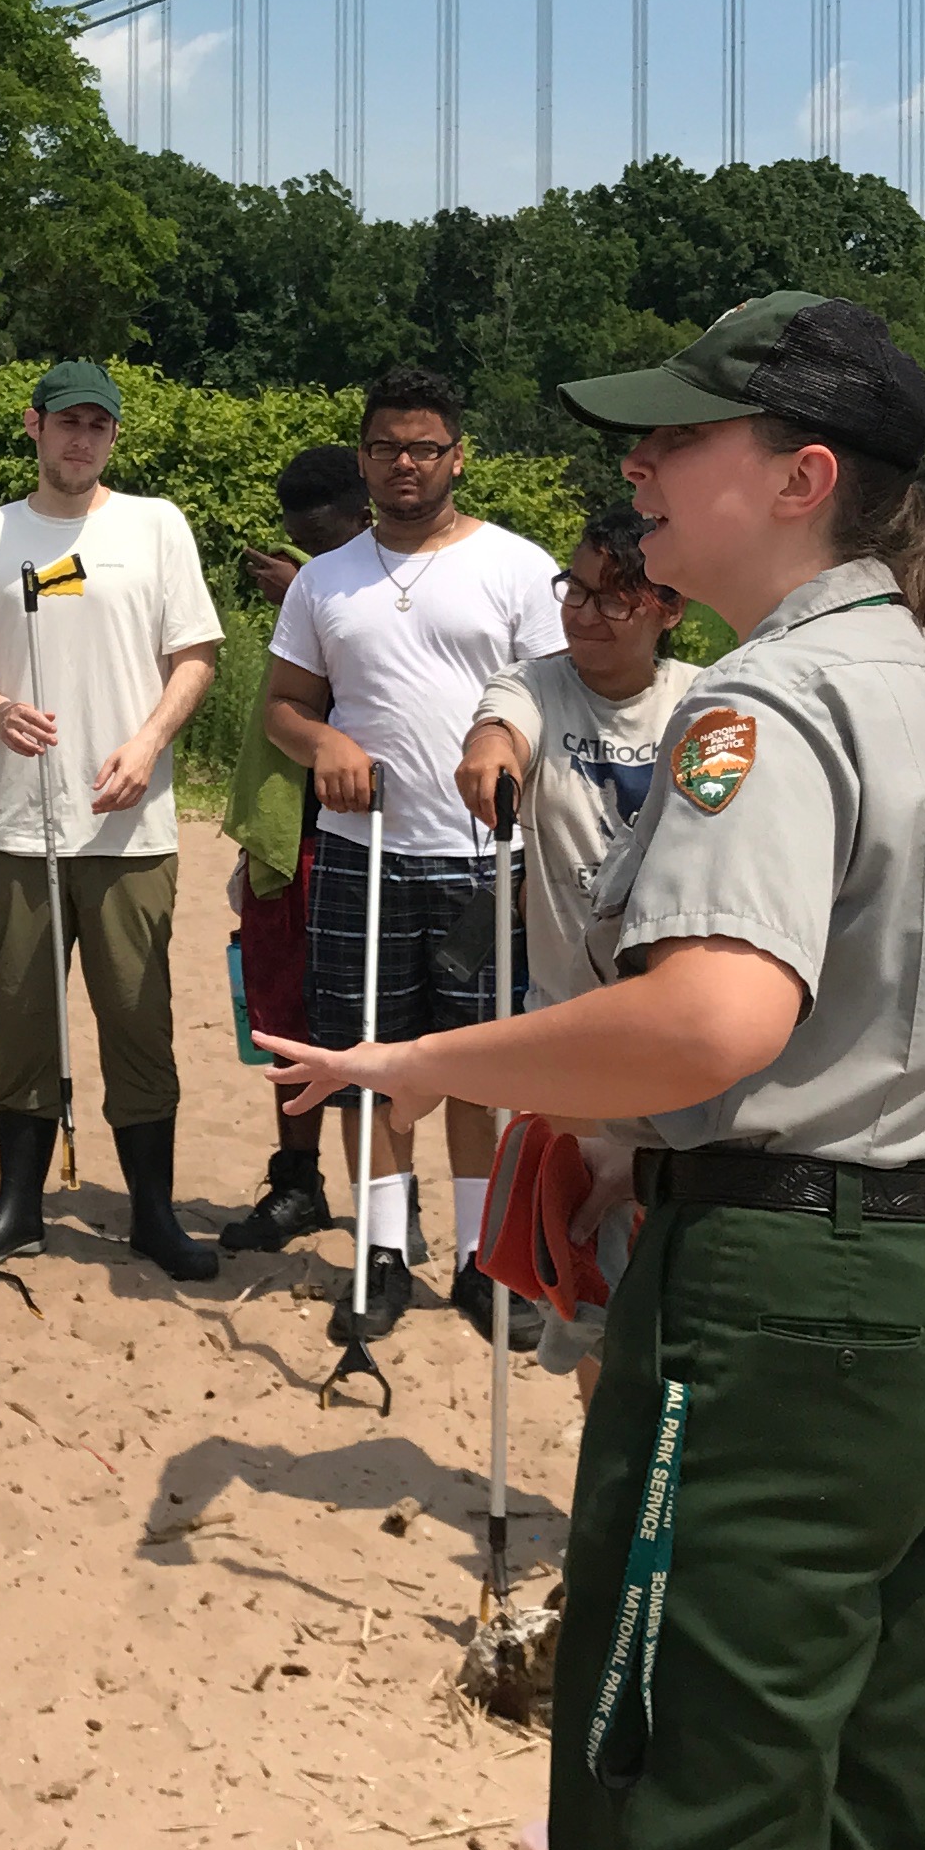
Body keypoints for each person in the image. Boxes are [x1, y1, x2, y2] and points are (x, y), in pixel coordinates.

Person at [262, 289, 925, 1850]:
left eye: (672, 446)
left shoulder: (760, 707)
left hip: (772, 1340)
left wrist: (420, 1066)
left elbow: (709, 1020)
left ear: (801, 482)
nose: (632, 479)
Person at [263, 365, 563, 1339]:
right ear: (364, 458)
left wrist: (512, 764)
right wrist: (326, 746)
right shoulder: (323, 579)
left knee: (477, 1066)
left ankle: (482, 1260)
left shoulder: (518, 569)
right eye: (388, 446)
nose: (405, 463)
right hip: (363, 850)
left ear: (457, 457)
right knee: (368, 1063)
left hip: (485, 859)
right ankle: (383, 1256)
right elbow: (281, 708)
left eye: (425, 447)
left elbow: (551, 702)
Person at [0, 360, 226, 1282]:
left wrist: (146, 745)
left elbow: (197, 657)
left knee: (139, 1017)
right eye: (66, 423)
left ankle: (154, 1214)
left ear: (113, 436)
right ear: (35, 426)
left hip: (130, 830)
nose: (81, 440)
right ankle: (17, 1208)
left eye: (98, 425)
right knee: (20, 1017)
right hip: (19, 827)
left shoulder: (156, 525)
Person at [453, 507, 698, 1387]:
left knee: (669, 1267)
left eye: (614, 598)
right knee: (589, 1269)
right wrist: (490, 761)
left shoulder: (706, 702)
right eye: (576, 589)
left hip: (678, 1027)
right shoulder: (536, 685)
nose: (584, 613)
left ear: (669, 607)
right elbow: (497, 730)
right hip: (573, 1029)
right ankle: (608, 1481)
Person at [221, 444, 372, 1253]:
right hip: (295, 836)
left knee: (373, 1024)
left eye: (326, 540)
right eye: (300, 541)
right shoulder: (312, 593)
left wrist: (301, 593)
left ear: (363, 515)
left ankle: (388, 1208)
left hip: (376, 839)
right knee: (284, 1015)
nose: (313, 555)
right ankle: (296, 1180)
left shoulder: (386, 590)